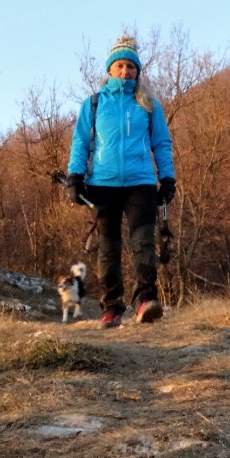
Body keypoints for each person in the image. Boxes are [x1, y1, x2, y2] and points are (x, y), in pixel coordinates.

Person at [65, 34, 177, 327]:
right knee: (109, 248)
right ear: (110, 70)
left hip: (141, 183)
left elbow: (162, 143)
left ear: (137, 71)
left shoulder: (149, 104)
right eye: (120, 66)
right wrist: (75, 176)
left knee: (143, 244)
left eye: (131, 66)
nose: (125, 71)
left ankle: (145, 302)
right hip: (102, 184)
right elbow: (80, 143)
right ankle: (112, 308)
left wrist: (167, 178)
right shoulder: (94, 104)